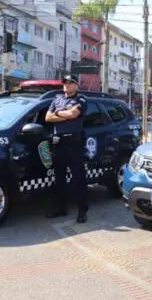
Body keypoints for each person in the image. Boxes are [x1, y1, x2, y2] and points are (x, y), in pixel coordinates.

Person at [45, 74, 89, 223]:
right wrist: (64, 115)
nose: (67, 85)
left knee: (78, 179)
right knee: (59, 179)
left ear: (76, 85)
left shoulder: (81, 100)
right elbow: (47, 118)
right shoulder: (56, 99)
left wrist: (57, 113)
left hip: (74, 144)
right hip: (58, 144)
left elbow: (74, 114)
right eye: (65, 83)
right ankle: (60, 208)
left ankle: (82, 210)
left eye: (71, 83)